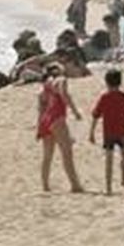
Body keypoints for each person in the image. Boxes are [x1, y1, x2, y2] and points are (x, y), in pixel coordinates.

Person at [88, 69, 124, 196]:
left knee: (109, 160)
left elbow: (95, 116)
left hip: (109, 133)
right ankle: (123, 180)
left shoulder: (104, 98)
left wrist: (91, 133)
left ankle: (108, 188)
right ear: (120, 82)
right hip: (122, 131)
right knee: (123, 156)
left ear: (106, 82)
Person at [35, 64, 84, 193]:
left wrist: (39, 128)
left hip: (45, 121)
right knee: (67, 154)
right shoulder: (60, 80)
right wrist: (75, 111)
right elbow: (65, 94)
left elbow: (41, 110)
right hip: (57, 118)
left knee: (47, 156)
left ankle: (45, 185)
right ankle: (75, 185)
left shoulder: (43, 88)